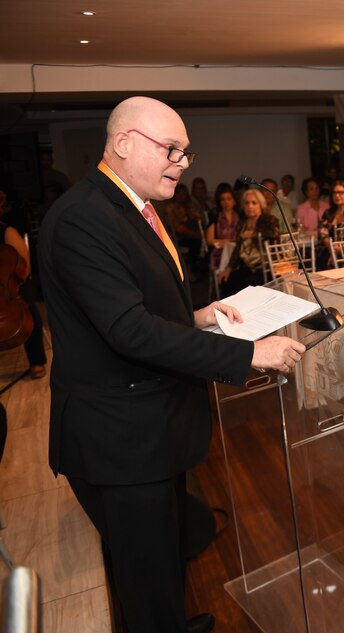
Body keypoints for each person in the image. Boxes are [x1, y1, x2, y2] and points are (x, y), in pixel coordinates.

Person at [38, 96, 305, 633]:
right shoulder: (84, 218)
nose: (183, 163)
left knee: (160, 560)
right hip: (120, 436)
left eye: (186, 152)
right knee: (144, 573)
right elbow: (128, 330)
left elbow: (137, 302)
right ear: (124, 143)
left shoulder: (131, 204)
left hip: (149, 426)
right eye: (172, 150)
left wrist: (197, 314)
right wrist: (249, 351)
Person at [0, 220, 46, 378]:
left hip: (16, 283)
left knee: (28, 310)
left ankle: (36, 360)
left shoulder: (7, 231)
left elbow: (23, 268)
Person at [217, 188, 280, 296]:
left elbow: (274, 234)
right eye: (247, 203)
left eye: (254, 203)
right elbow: (238, 248)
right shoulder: (242, 223)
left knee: (246, 286)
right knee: (226, 282)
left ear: (260, 204)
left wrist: (253, 234)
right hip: (248, 267)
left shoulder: (268, 219)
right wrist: (228, 268)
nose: (250, 206)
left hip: (265, 267)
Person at [205, 188, 239, 273]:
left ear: (234, 201)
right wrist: (227, 243)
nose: (226, 202)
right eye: (223, 200)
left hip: (237, 249)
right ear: (219, 202)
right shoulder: (215, 217)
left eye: (229, 199)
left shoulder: (240, 217)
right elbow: (209, 240)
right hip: (219, 250)